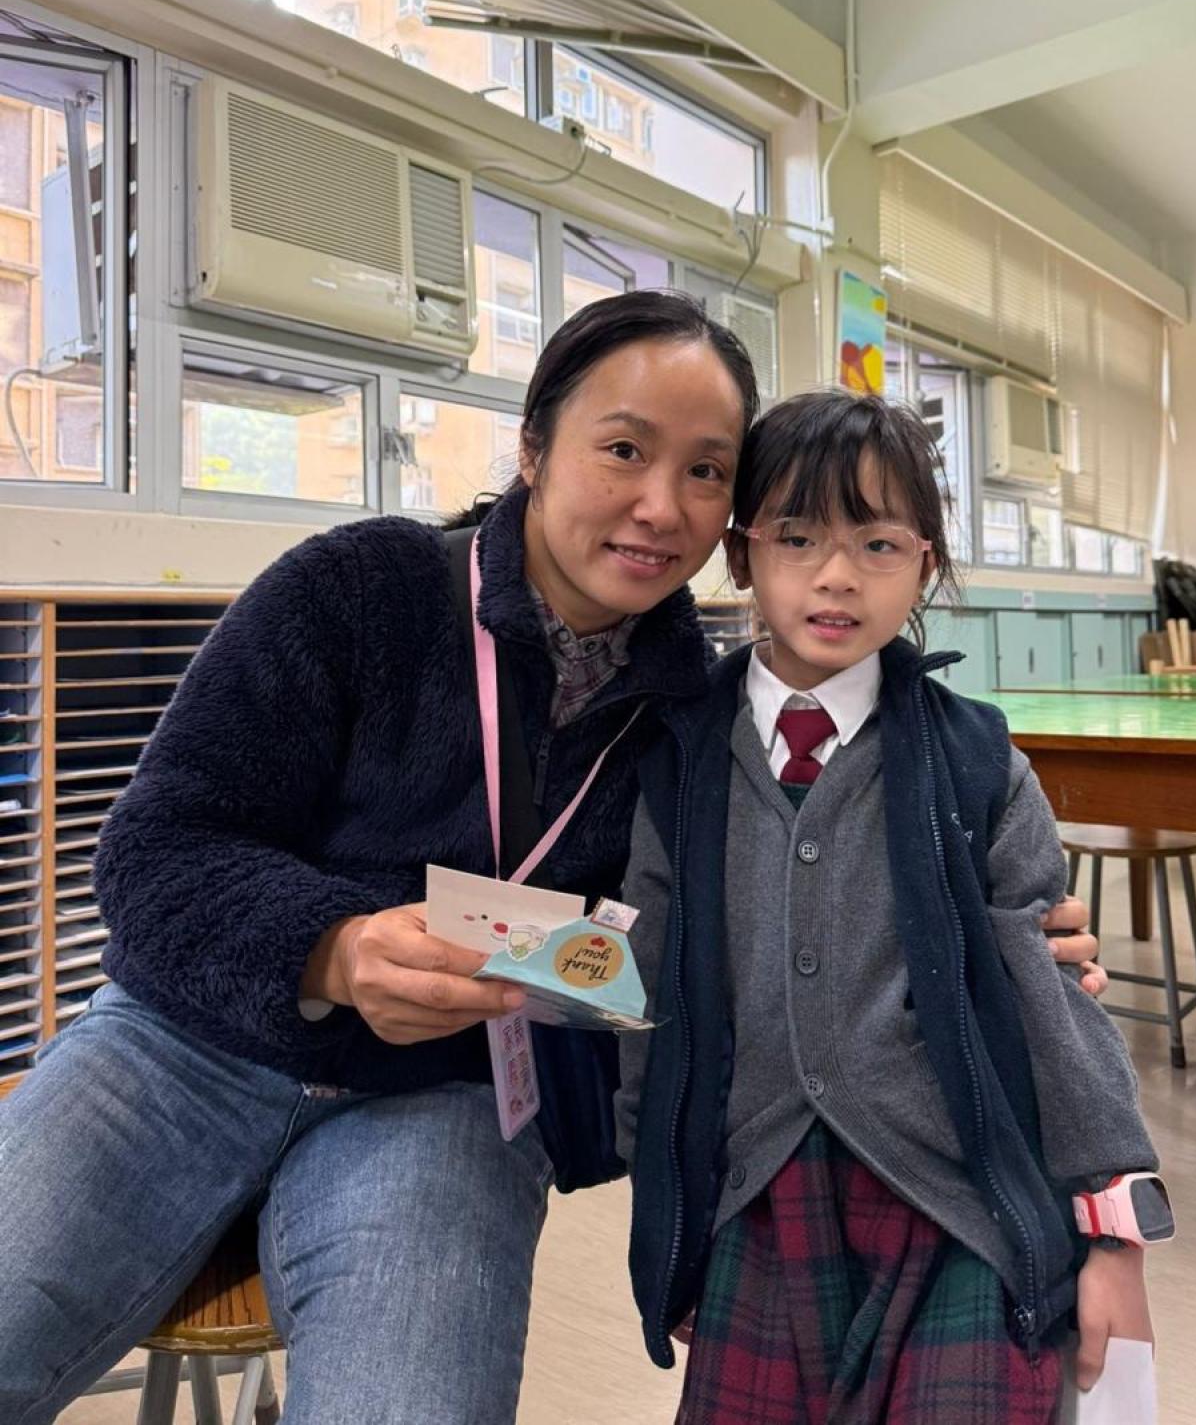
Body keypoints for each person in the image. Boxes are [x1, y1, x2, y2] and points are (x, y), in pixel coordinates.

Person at [0, 297, 1103, 1425]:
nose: (658, 505)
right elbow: (154, 850)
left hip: (444, 1099)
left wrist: (996, 939)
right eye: (623, 449)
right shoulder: (363, 589)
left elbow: (709, 936)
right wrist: (333, 947)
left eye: (705, 470)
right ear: (533, 447)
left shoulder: (697, 714)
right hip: (180, 1047)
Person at [619, 389, 1162, 1424]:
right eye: (797, 537)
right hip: (755, 1205)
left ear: (924, 562)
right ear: (741, 553)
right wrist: (672, 1218)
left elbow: (1052, 994)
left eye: (876, 544)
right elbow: (649, 997)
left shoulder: (975, 762)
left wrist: (1115, 1231)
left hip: (962, 1201)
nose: (836, 575)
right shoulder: (679, 762)